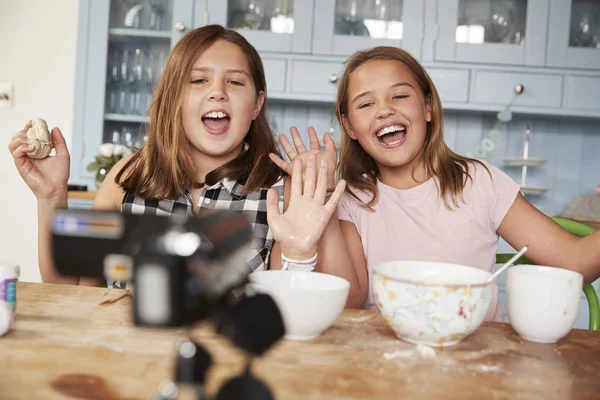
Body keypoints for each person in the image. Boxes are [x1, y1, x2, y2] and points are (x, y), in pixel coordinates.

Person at [9, 25, 366, 308]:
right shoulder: (125, 179)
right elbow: (67, 289)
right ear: (175, 98)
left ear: (257, 104)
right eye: (198, 80)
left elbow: (296, 311)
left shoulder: (279, 193)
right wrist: (51, 196)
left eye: (235, 82)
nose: (217, 92)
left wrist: (305, 244)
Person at [271, 46, 600, 321]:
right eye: (366, 103)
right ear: (350, 125)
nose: (385, 110)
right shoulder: (349, 200)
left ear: (427, 107)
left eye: (400, 95)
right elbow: (349, 305)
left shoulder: (479, 182)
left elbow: (576, 262)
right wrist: (322, 198)